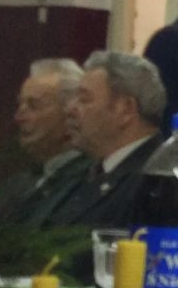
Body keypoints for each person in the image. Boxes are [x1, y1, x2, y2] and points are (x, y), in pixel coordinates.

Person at [39, 51, 168, 233]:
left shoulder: (157, 183)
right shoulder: (72, 170)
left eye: (84, 99)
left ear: (125, 109)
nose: (69, 109)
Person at [0, 58, 88, 241]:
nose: (19, 117)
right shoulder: (21, 181)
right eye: (20, 104)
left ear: (71, 115)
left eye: (33, 105)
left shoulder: (87, 182)